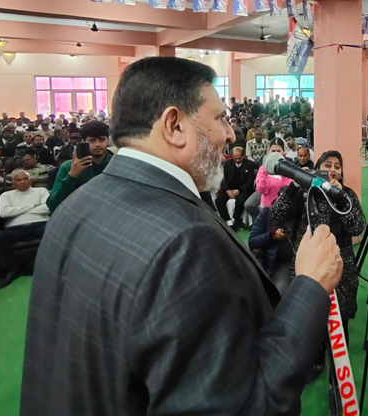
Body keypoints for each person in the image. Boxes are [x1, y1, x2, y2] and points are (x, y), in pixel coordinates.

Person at [21, 57, 344, 415]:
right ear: (174, 126)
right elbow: (249, 405)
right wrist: (311, 286)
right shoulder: (187, 243)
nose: (230, 134)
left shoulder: (77, 203)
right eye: (220, 117)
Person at [271, 150, 364, 412]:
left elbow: (357, 227)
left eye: (337, 167)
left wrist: (342, 196)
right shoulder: (304, 192)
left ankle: (338, 381)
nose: (332, 170)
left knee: (339, 325)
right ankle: (315, 362)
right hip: (307, 267)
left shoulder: (346, 195)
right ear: (316, 169)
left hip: (339, 269)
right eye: (326, 166)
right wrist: (295, 183)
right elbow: (276, 213)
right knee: (309, 321)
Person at [0, 169, 49, 290]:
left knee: (51, 231)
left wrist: (17, 210)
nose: (22, 182)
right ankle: (11, 269)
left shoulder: (41, 191)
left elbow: (47, 208)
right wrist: (32, 206)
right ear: (13, 184)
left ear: (30, 180)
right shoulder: (6, 195)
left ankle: (40, 264)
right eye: (18, 180)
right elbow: (3, 213)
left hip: (39, 223)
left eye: (25, 179)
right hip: (15, 227)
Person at [46, 120, 112, 213]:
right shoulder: (69, 166)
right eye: (92, 140)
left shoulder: (116, 163)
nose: (97, 144)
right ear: (83, 141)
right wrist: (72, 176)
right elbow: (53, 205)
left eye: (102, 140)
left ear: (108, 140)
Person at [245, 138, 291, 221]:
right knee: (249, 204)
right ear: (268, 150)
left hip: (282, 198)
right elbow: (261, 186)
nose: (275, 154)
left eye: (278, 151)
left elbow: (289, 184)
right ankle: (258, 220)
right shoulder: (264, 165)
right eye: (273, 151)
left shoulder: (288, 165)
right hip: (266, 197)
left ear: (283, 152)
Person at [216, 146, 257, 229]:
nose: (237, 160)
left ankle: (235, 219)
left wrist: (239, 190)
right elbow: (222, 179)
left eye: (239, 158)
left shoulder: (249, 164)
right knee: (219, 200)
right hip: (229, 189)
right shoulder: (227, 164)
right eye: (235, 158)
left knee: (240, 201)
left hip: (242, 190)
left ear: (243, 156)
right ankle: (227, 220)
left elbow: (250, 181)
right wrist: (227, 190)